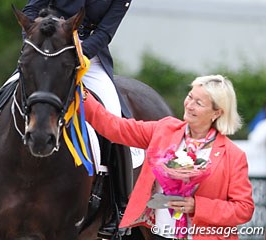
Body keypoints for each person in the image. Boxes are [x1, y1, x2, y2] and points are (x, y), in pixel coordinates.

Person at [0, 0, 133, 237]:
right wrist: (35, 40)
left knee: (115, 114)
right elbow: (31, 10)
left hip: (87, 56)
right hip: (44, 48)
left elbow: (106, 31)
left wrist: (79, 52)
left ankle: (120, 206)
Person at [82, 74, 254, 239]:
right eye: (190, 96)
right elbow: (114, 128)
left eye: (199, 103)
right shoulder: (165, 129)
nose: (189, 105)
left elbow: (244, 209)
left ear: (216, 113)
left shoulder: (234, 156)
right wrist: (82, 95)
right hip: (160, 234)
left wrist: (197, 206)